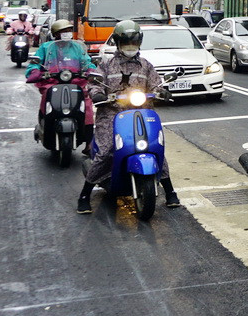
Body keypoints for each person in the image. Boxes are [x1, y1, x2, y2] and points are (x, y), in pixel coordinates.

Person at [77, 20, 180, 214]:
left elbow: (156, 84)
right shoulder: (107, 64)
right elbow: (94, 83)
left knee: (155, 147)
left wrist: (163, 92)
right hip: (112, 113)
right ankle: (85, 194)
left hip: (142, 112)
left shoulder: (146, 65)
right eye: (126, 43)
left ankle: (169, 190)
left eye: (133, 43)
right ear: (117, 43)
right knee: (107, 150)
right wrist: (97, 93)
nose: (130, 47)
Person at [26, 19, 97, 133]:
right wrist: (35, 71)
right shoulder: (45, 47)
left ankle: (88, 140)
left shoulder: (77, 47)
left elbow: (87, 61)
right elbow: (35, 64)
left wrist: (90, 69)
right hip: (52, 82)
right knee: (47, 97)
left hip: (76, 81)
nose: (67, 33)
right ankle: (45, 125)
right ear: (55, 34)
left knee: (86, 103)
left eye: (69, 30)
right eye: (63, 31)